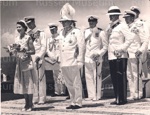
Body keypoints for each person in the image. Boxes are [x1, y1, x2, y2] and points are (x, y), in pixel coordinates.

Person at [106, 6, 135, 105]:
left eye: (113, 16)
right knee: (114, 77)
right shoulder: (110, 27)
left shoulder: (122, 26)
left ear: (117, 16)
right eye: (110, 16)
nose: (111, 18)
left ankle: (122, 99)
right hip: (112, 55)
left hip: (120, 56)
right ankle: (117, 97)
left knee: (120, 77)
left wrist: (122, 49)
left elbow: (130, 38)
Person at [59, 3, 85, 109]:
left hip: (73, 61)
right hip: (64, 62)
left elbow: (81, 47)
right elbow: (60, 48)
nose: (63, 23)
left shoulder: (77, 32)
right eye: (62, 22)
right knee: (69, 83)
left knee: (76, 83)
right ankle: (72, 101)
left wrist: (80, 61)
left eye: (65, 21)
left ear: (71, 22)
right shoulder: (61, 33)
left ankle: (78, 102)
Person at [123, 10, 149, 100]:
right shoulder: (126, 28)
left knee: (136, 74)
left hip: (135, 53)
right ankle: (132, 93)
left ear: (132, 18)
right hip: (128, 54)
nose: (126, 19)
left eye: (127, 18)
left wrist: (141, 50)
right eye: (125, 18)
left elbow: (145, 40)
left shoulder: (137, 27)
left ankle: (138, 93)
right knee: (129, 75)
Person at [11, 20, 35, 111]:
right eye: (17, 27)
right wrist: (13, 52)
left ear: (24, 28)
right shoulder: (16, 39)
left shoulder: (28, 37)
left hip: (27, 63)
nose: (18, 29)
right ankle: (26, 104)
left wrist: (24, 51)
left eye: (19, 27)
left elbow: (33, 51)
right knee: (22, 84)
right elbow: (16, 51)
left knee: (28, 83)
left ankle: (31, 103)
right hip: (19, 64)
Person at [84, 15, 108, 101]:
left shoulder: (101, 32)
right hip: (87, 58)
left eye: (93, 21)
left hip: (96, 58)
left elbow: (105, 47)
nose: (91, 23)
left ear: (96, 22)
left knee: (97, 77)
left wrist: (98, 54)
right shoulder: (85, 32)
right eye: (90, 21)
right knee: (88, 77)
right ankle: (91, 95)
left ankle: (97, 95)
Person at [24, 16, 47, 104]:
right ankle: (35, 97)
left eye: (30, 23)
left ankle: (42, 97)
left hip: (39, 57)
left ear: (34, 22)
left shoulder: (41, 33)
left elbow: (44, 46)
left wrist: (39, 56)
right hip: (30, 58)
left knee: (40, 78)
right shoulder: (27, 34)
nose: (29, 25)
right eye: (28, 24)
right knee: (33, 78)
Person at [130, 6, 150, 79]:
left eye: (135, 12)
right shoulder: (128, 24)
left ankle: (145, 84)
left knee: (142, 70)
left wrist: (145, 49)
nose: (133, 14)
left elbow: (147, 37)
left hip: (141, 49)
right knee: (132, 73)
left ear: (138, 13)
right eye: (132, 12)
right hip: (131, 51)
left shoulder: (142, 23)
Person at [46, 23, 66, 96]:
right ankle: (57, 91)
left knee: (62, 75)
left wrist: (58, 56)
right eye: (51, 30)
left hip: (61, 58)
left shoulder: (61, 37)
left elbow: (62, 47)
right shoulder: (49, 39)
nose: (52, 31)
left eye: (54, 29)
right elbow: (47, 50)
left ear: (56, 29)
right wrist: (52, 56)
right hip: (53, 59)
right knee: (55, 75)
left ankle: (63, 91)